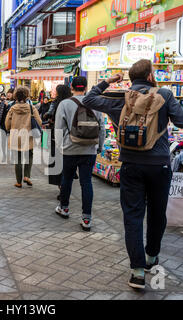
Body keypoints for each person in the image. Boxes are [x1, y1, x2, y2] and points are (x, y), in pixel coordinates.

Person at [82, 59, 183, 289]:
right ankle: (152, 256)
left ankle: (138, 272)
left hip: (130, 164)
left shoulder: (123, 98)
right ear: (151, 76)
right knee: (156, 212)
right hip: (159, 166)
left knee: (132, 216)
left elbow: (88, 99)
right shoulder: (164, 95)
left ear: (131, 78)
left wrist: (107, 82)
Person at [54, 77, 105, 232]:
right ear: (86, 87)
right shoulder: (95, 103)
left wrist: (60, 147)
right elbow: (102, 128)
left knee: (67, 179)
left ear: (72, 87)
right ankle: (86, 218)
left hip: (70, 149)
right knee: (86, 182)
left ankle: (64, 208)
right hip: (89, 149)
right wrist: (99, 147)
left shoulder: (65, 104)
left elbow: (58, 128)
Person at [5, 86, 42, 188]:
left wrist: (10, 128)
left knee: (18, 158)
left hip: (16, 135)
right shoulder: (32, 108)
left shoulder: (12, 108)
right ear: (27, 96)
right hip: (28, 135)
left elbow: (7, 124)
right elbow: (39, 122)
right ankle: (27, 176)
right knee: (29, 155)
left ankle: (19, 182)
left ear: (16, 96)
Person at [44, 85, 72, 195]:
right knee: (67, 161)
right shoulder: (71, 102)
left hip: (56, 135)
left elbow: (48, 114)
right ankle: (65, 187)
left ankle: (62, 188)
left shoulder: (56, 103)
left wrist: (47, 116)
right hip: (70, 137)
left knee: (57, 161)